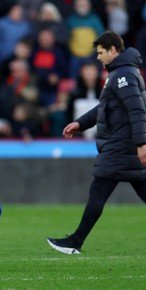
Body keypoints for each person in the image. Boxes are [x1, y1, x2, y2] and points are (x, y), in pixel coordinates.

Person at [47, 30, 146, 254]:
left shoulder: (123, 76)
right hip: (124, 147)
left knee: (98, 190)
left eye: (101, 53)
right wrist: (80, 123)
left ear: (113, 50)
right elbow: (105, 107)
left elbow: (137, 110)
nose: (98, 57)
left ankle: (75, 242)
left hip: (121, 147)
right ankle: (75, 241)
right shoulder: (122, 73)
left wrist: (142, 144)